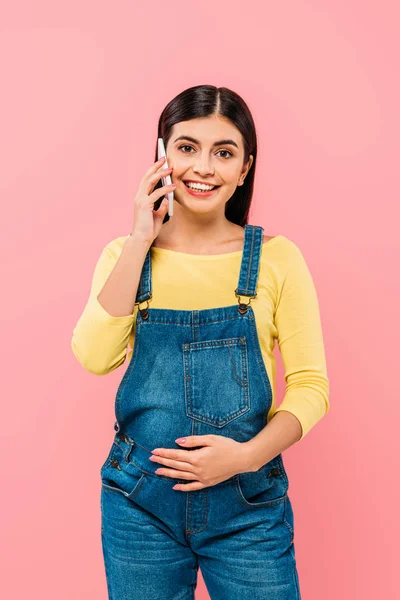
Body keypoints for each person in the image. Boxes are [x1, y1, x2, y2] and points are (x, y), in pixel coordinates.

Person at [71, 84, 330, 600]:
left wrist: (246, 457)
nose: (204, 168)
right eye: (187, 147)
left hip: (247, 507)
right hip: (139, 504)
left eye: (224, 152)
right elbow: (94, 358)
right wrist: (142, 237)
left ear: (245, 167)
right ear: (162, 156)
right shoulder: (125, 255)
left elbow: (310, 388)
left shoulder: (278, 260)